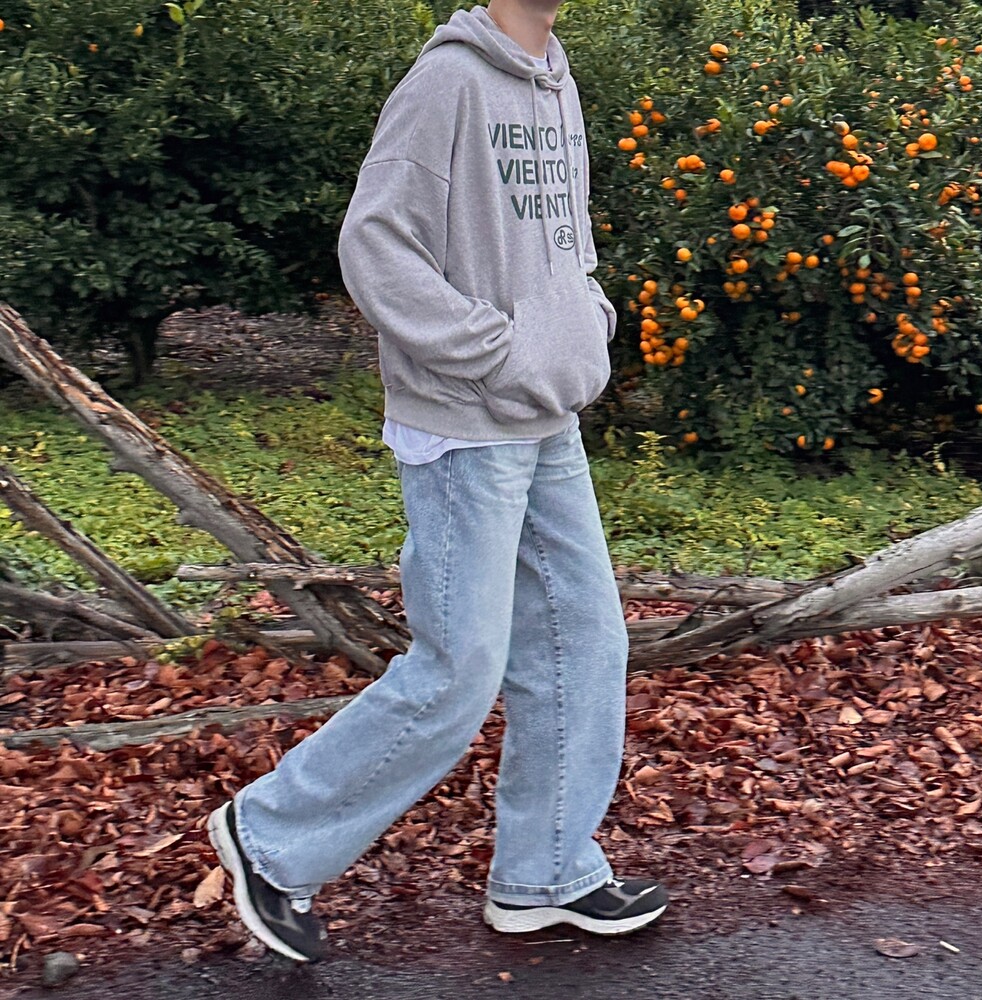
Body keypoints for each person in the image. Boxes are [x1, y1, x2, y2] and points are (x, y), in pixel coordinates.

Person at [206, 0, 668, 963]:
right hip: (463, 426)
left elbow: (565, 242)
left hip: (545, 419)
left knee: (585, 642)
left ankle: (546, 873)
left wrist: (582, 323)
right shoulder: (447, 80)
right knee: (459, 669)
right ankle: (269, 838)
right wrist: (499, 351)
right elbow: (374, 245)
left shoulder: (558, 80)